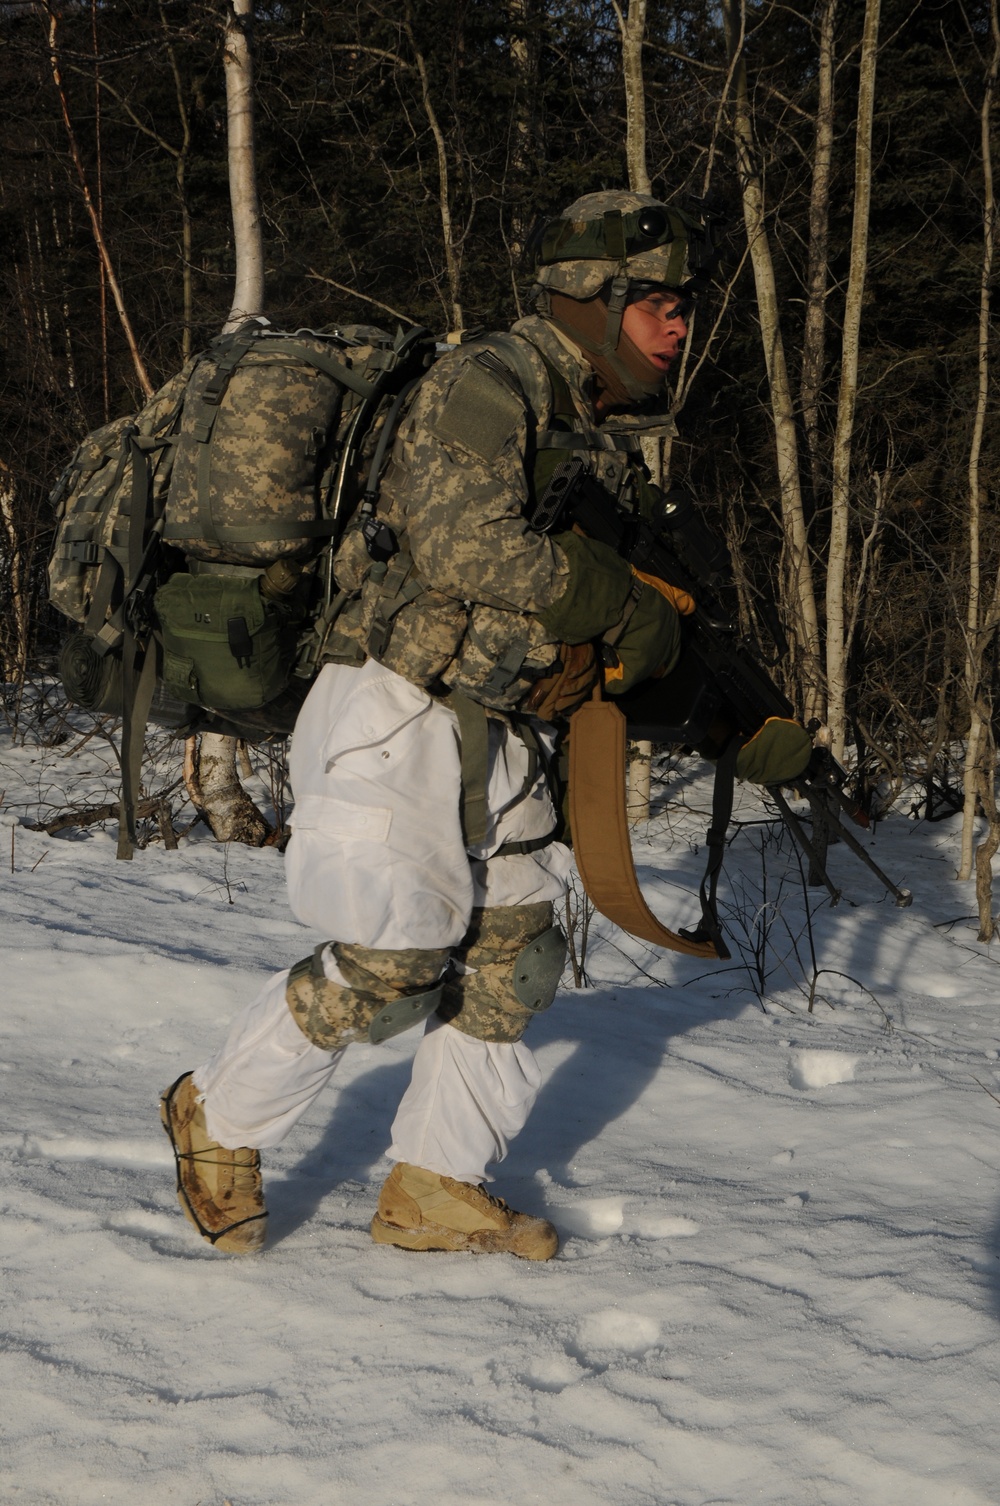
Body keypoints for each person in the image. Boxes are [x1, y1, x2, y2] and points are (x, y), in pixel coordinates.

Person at [160, 189, 716, 1261]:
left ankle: (434, 1182)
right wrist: (615, 600)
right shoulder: (489, 382)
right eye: (659, 301)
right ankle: (216, 1119)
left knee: (517, 950)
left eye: (681, 303)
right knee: (393, 954)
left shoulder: (586, 422)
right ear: (594, 300)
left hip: (498, 725)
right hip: (394, 705)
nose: (679, 323)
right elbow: (471, 552)